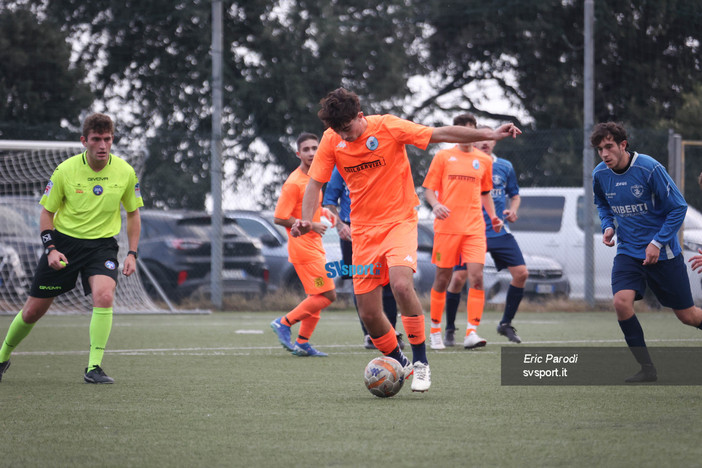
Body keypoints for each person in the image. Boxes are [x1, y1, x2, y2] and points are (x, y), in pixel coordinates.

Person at [292, 88, 520, 392]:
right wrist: (306, 220)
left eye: (347, 128)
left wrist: (489, 133)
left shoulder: (388, 126)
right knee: (370, 313)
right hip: (363, 232)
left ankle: (422, 361)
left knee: (401, 284)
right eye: (337, 130)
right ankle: (401, 362)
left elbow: (439, 133)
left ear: (360, 116)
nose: (344, 136)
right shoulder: (332, 140)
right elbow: (315, 184)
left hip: (400, 221)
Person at [0, 113, 143, 384]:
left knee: (104, 296)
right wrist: (51, 249)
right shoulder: (65, 170)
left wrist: (132, 253)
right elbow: (46, 214)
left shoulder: (125, 172)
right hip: (64, 245)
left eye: (108, 139)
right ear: (84, 141)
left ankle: (94, 367)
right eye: (96, 139)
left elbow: (134, 215)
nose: (103, 145)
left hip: (102, 247)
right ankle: (2, 357)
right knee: (32, 311)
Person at [591, 122, 702, 383]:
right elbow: (602, 204)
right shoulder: (600, 174)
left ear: (623, 145)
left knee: (688, 316)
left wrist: (657, 242)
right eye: (599, 149)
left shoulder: (649, 168)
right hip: (628, 252)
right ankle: (647, 368)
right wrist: (608, 226)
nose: (605, 154)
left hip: (664, 254)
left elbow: (678, 208)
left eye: (609, 147)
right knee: (621, 302)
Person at [422, 115, 503, 351]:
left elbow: (485, 192)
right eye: (463, 131)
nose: (468, 136)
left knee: (477, 277)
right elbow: (428, 189)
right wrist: (436, 204)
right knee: (442, 279)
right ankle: (435, 330)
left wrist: (494, 216)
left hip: (475, 228)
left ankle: (471, 332)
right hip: (447, 228)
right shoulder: (443, 156)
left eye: (472, 132)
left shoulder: (484, 160)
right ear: (456, 133)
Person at [441, 129, 528, 346]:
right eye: (480, 137)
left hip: (498, 231)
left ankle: (505, 323)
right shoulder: (463, 163)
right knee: (460, 278)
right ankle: (451, 328)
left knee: (522, 273)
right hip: (470, 230)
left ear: (496, 141)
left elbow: (514, 195)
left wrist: (513, 210)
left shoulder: (504, 166)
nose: (486, 141)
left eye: (490, 137)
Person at [270, 132, 337, 357]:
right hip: (303, 248)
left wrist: (323, 211)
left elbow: (306, 208)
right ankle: (284, 323)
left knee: (315, 297)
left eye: (314, 148)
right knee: (328, 295)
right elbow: (279, 217)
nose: (311, 152)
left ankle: (302, 343)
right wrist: (311, 225)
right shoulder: (294, 183)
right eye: (306, 149)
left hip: (314, 247)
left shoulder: (314, 179)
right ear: (298, 154)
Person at [322, 166, 403, 350]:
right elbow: (329, 203)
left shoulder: (381, 161)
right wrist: (340, 225)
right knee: (361, 282)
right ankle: (370, 334)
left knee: (388, 280)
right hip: (352, 231)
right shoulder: (341, 166)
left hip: (382, 228)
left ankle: (390, 333)